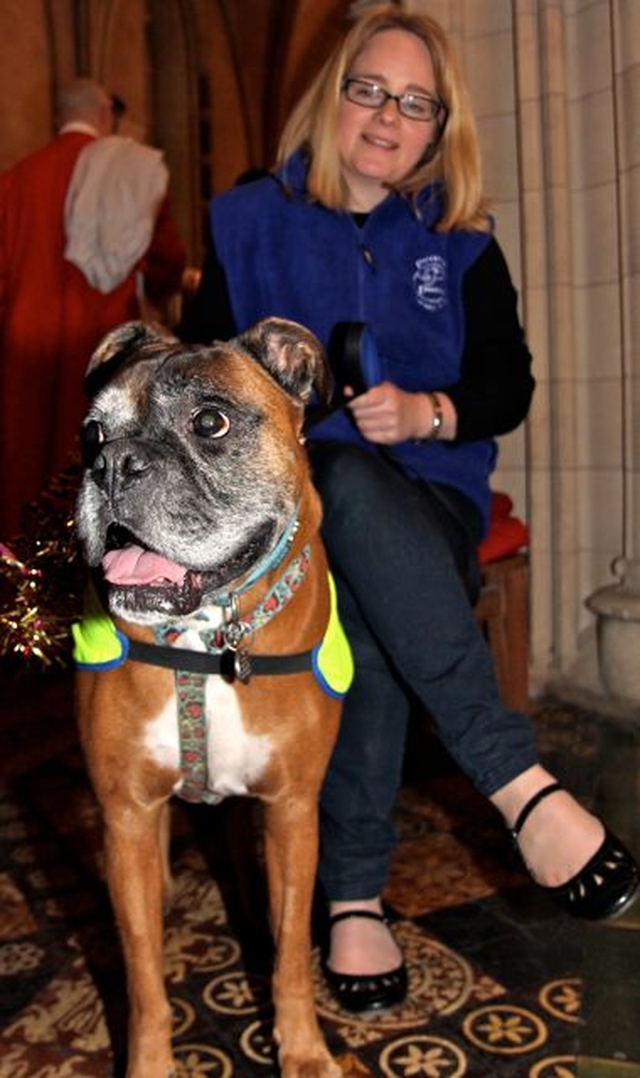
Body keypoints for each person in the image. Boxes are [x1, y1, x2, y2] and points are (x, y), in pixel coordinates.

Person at [181, 4, 639, 1014]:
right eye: (370, 90)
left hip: (425, 500)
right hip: (279, 520)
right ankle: (517, 791)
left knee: (358, 518)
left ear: (439, 128)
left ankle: (353, 894)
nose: (390, 118)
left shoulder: (460, 239)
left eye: (417, 103)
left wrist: (429, 410)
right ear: (331, 97)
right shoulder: (247, 218)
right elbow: (201, 381)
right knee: (343, 527)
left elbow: (505, 386)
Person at [0, 78, 186, 540]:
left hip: (23, 351)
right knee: (97, 472)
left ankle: (18, 591)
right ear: (105, 115)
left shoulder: (14, 180)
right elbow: (168, 259)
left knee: (22, 468)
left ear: (57, 117)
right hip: (102, 347)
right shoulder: (131, 172)